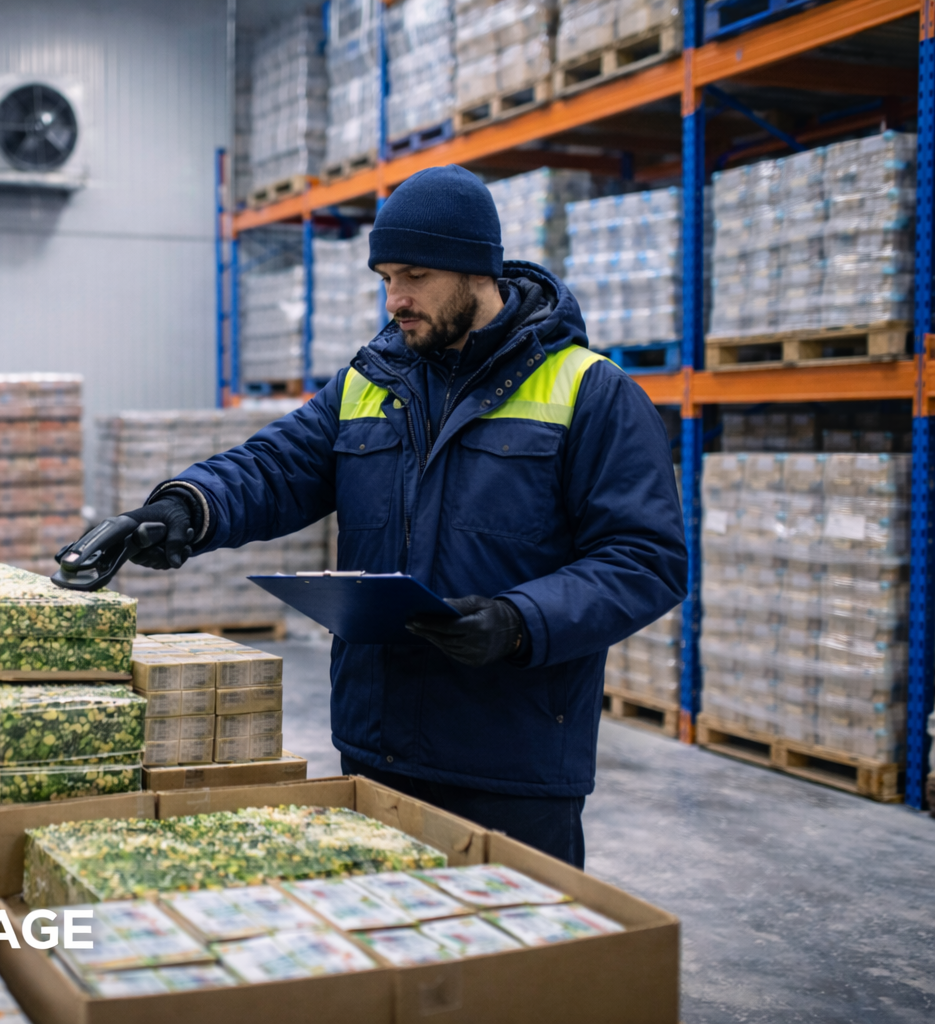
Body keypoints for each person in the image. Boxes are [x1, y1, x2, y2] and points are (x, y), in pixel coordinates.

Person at [84, 164, 687, 867]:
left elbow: (645, 558)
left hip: (512, 758)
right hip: (376, 744)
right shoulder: (370, 382)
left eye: (414, 276)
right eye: (384, 279)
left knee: (505, 967)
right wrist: (184, 509)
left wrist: (519, 621)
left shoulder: (592, 393)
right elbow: (276, 465)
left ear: (475, 271)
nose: (395, 299)